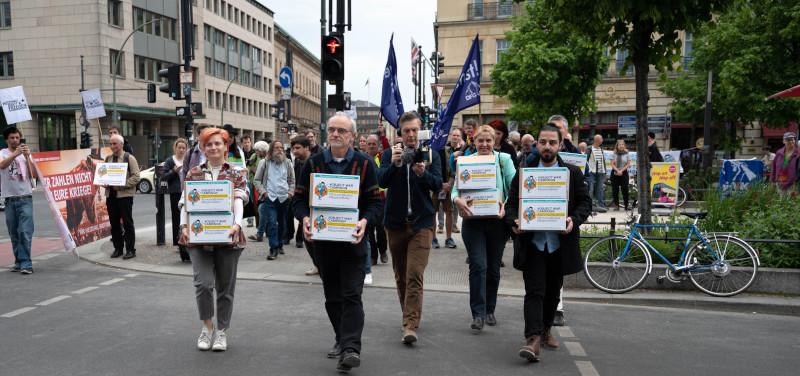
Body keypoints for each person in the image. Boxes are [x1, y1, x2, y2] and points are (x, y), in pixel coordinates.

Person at [292, 112, 382, 372]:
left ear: (352, 136)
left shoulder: (365, 164)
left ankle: (351, 348)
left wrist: (365, 222)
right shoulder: (314, 163)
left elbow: (375, 203)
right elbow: (299, 200)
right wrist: (305, 219)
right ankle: (341, 338)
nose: (335, 134)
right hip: (324, 243)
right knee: (332, 297)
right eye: (332, 129)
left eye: (341, 130)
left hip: (353, 242)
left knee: (352, 295)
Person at [504, 123, 592, 363]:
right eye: (543, 142)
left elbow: (586, 203)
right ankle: (532, 339)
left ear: (560, 144)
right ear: (536, 144)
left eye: (552, 142)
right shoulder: (524, 173)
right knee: (534, 291)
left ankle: (545, 330)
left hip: (559, 245)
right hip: (533, 244)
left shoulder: (573, 173)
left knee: (553, 293)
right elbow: (511, 204)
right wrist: (514, 221)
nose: (547, 146)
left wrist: (573, 220)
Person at [178, 127, 248, 352]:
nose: (213, 147)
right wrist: (184, 226)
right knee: (203, 285)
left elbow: (239, 200)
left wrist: (237, 225)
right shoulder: (194, 173)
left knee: (225, 288)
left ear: (225, 147)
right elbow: (185, 203)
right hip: (199, 238)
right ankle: (207, 327)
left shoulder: (236, 173)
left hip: (228, 238)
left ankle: (221, 332)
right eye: (209, 144)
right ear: (203, 148)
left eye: (218, 143)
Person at [378, 111, 443, 345]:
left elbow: (439, 185)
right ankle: (409, 314)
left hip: (421, 224)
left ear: (420, 131)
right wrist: (395, 165)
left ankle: (409, 324)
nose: (411, 135)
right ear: (400, 134)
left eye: (415, 130)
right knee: (401, 276)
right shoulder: (388, 154)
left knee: (414, 273)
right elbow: (381, 181)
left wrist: (424, 174)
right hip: (395, 224)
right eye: (407, 131)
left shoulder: (430, 155)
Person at [451, 125, 516, 332]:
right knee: (478, 266)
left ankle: (490, 310)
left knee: (493, 268)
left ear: (494, 141)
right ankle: (477, 314)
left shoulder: (503, 160)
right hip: (473, 222)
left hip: (497, 222)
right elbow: (455, 190)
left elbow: (514, 188)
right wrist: (457, 200)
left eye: (489, 141)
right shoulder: (466, 161)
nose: (485, 144)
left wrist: (506, 207)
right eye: (481, 141)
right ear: (474, 142)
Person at [0, 127, 39, 274]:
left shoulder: (25, 154)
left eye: (17, 137)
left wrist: (28, 157)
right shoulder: (2, 153)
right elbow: (2, 165)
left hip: (25, 197)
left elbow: (34, 175)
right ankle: (19, 261)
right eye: (12, 138)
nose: (15, 140)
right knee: (14, 233)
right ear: (6, 140)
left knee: (25, 231)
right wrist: (15, 155)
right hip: (9, 199)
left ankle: (26, 263)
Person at [252, 141, 294, 259]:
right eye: (276, 148)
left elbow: (292, 180)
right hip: (269, 198)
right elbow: (257, 180)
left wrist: (290, 193)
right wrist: (264, 192)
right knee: (272, 223)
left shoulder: (288, 163)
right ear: (271, 150)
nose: (280, 150)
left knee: (282, 224)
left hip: (284, 198)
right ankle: (273, 248)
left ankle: (280, 244)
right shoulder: (264, 163)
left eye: (281, 148)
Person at [104, 134, 141, 259]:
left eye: (114, 144)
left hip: (125, 196)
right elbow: (104, 176)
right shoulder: (108, 159)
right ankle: (118, 248)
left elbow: (136, 177)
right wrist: (103, 183)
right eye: (110, 144)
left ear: (121, 144)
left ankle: (130, 250)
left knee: (127, 223)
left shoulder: (129, 158)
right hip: (111, 196)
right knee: (114, 224)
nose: (112, 146)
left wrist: (121, 186)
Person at [289, 136, 318, 276]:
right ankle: (317, 264)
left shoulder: (316, 162)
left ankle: (320, 264)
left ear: (307, 148)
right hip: (303, 203)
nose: (295, 151)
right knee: (307, 236)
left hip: (316, 203)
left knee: (313, 236)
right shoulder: (298, 162)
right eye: (293, 148)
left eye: (298, 148)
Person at [162, 138, 190, 262]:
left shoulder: (188, 160)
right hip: (176, 192)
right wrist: (174, 171)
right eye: (179, 147)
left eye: (184, 148)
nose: (181, 150)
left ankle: (187, 238)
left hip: (188, 192)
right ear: (175, 148)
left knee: (187, 217)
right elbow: (164, 176)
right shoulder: (170, 160)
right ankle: (177, 242)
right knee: (176, 217)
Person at [365, 134, 389, 264]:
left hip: (381, 198)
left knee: (380, 228)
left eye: (374, 144)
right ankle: (373, 256)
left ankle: (383, 251)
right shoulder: (363, 159)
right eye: (369, 144)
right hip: (367, 199)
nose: (371, 146)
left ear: (378, 145)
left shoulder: (382, 157)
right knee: (369, 229)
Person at [586, 135, 608, 211]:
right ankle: (589, 205)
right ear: (598, 140)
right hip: (591, 171)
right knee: (590, 188)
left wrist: (604, 170)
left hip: (600, 171)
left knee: (600, 188)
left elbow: (603, 160)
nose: (602, 140)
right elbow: (585, 159)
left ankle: (601, 205)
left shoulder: (601, 149)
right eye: (601, 139)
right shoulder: (589, 149)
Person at [610, 139, 632, 210]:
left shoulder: (627, 153)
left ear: (624, 145)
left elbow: (628, 164)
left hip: (624, 172)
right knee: (615, 190)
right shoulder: (614, 153)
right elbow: (612, 164)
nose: (621, 146)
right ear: (617, 145)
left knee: (625, 189)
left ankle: (626, 205)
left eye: (622, 144)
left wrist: (621, 171)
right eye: (620, 144)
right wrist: (617, 170)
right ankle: (616, 205)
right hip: (615, 172)